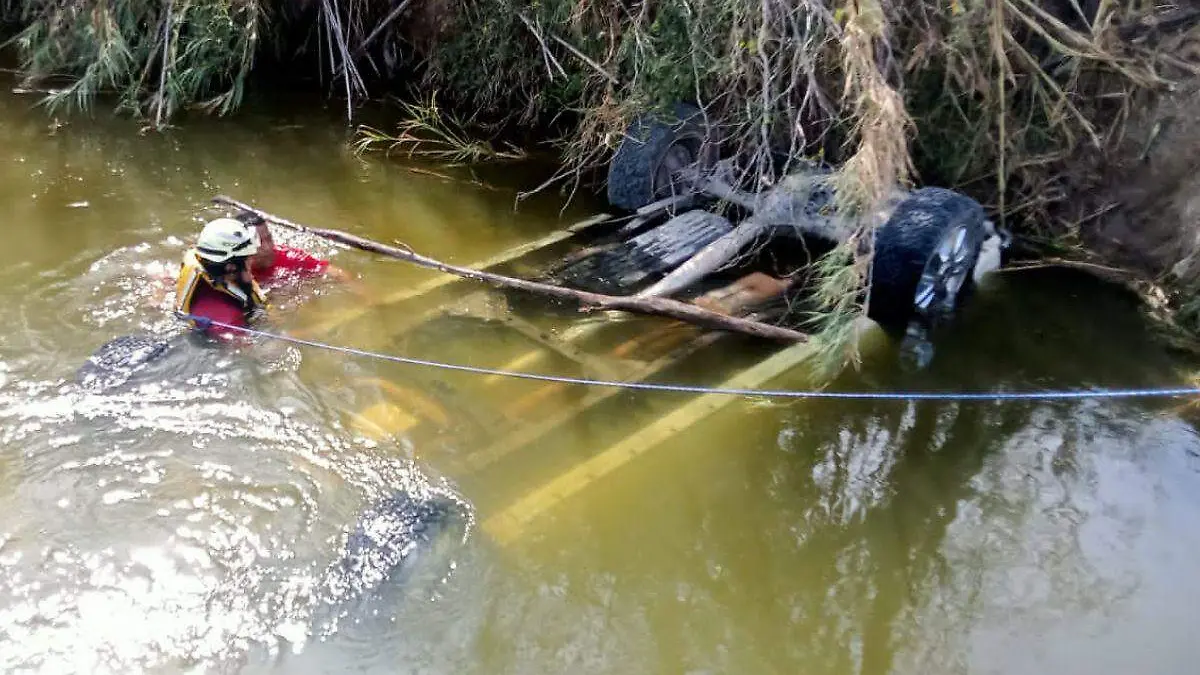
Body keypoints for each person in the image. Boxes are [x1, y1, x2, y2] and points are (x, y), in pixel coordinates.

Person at [173, 217, 268, 341]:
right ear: (230, 267)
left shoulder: (202, 266)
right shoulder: (228, 318)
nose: (252, 261)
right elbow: (251, 353)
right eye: (248, 259)